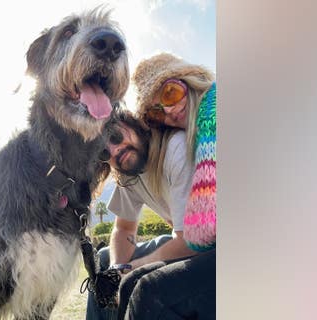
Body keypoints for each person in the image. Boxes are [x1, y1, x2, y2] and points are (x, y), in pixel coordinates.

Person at [116, 52, 217, 319]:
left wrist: (136, 263)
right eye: (154, 114)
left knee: (148, 290)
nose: (168, 112)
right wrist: (123, 266)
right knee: (128, 283)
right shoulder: (198, 133)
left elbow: (200, 235)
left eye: (170, 94)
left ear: (190, 78)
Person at [85, 109, 196, 320]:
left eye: (115, 136)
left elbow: (194, 240)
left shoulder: (174, 149)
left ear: (132, 123)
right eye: (104, 153)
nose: (115, 150)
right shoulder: (128, 175)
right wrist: (118, 269)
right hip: (181, 242)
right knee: (105, 261)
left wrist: (136, 266)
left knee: (144, 284)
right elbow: (123, 229)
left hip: (211, 250)